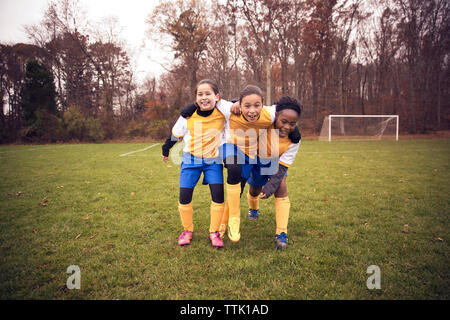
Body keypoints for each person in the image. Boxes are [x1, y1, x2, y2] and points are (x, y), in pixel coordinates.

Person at [161, 79, 225, 248]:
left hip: (213, 161)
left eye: (208, 94)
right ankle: (187, 230)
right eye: (200, 94)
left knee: (218, 196)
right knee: (184, 197)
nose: (204, 97)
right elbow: (176, 133)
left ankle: (214, 232)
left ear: (217, 96)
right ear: (196, 98)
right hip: (191, 160)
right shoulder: (188, 115)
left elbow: (238, 107)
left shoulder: (223, 113)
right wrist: (166, 149)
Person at [218, 85, 277, 243]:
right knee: (235, 172)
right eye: (247, 105)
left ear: (263, 105)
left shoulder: (269, 114)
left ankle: (253, 208)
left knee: (255, 185)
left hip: (254, 152)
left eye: (257, 105)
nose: (252, 111)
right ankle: (226, 222)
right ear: (240, 105)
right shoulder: (229, 110)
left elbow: (289, 106)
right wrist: (233, 102)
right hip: (232, 147)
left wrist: (295, 128)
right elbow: (208, 99)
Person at [245, 96, 302, 250]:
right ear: (276, 116)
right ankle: (254, 208)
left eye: (292, 123)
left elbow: (283, 168)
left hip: (275, 163)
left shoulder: (294, 140)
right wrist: (237, 103)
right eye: (284, 121)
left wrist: (271, 187)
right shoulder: (266, 119)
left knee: (281, 186)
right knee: (255, 189)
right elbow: (250, 104)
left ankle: (281, 233)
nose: (287, 127)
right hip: (256, 158)